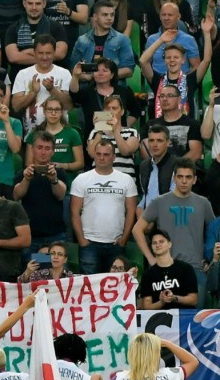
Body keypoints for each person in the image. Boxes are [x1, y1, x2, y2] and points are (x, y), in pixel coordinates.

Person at [70, 141, 138, 274]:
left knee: (115, 288)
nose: (101, 158)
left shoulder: (126, 180)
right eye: (98, 154)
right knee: (89, 288)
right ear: (94, 155)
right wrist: (82, 240)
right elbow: (74, 212)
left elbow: (131, 211)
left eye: (106, 154)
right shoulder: (81, 179)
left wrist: (124, 239)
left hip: (116, 243)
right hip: (89, 243)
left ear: (113, 157)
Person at [13, 130, 69, 250]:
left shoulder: (60, 173)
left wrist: (54, 179)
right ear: (32, 149)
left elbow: (61, 195)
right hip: (31, 235)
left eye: (47, 148)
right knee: (35, 268)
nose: (43, 152)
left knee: (55, 268)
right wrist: (26, 179)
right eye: (39, 147)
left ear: (53, 152)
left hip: (56, 234)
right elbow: (16, 195)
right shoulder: (22, 173)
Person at [137, 229, 200, 308]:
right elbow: (146, 306)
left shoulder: (186, 269)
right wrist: (161, 302)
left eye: (161, 241)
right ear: (151, 247)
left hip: (182, 317)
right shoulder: (148, 275)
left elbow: (193, 300)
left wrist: (174, 298)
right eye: (154, 243)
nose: (158, 245)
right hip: (159, 318)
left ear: (169, 244)